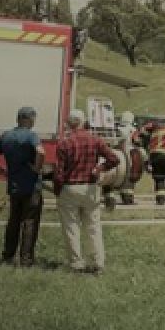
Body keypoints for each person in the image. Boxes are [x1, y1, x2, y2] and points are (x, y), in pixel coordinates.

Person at [54, 109, 119, 274]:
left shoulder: (64, 143)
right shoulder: (95, 140)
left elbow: (59, 172)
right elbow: (114, 159)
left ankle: (76, 263)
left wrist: (57, 190)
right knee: (93, 226)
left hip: (70, 187)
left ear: (69, 124)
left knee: (71, 227)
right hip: (91, 187)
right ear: (83, 122)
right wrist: (99, 168)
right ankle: (97, 262)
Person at [0, 105, 46, 267]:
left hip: (14, 185)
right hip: (31, 186)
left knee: (13, 221)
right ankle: (26, 260)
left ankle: (8, 255)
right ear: (30, 119)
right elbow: (41, 152)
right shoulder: (31, 136)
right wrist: (37, 168)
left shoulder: (7, 136)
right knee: (29, 222)